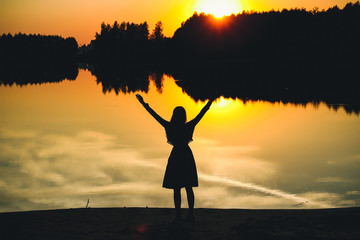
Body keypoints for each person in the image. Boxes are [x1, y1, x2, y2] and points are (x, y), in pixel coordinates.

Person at [136, 94, 214, 222]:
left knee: (177, 188)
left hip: (176, 156)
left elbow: (154, 115)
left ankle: (179, 215)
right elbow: (202, 113)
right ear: (183, 116)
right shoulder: (188, 126)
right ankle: (190, 214)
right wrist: (210, 101)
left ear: (174, 116)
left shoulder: (170, 126)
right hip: (186, 155)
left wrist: (144, 104)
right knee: (188, 187)